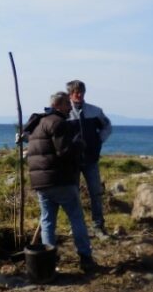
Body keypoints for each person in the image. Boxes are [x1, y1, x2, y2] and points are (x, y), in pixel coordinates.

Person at [24, 91, 97, 273]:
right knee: (76, 219)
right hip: (60, 180)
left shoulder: (38, 123)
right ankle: (85, 258)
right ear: (59, 105)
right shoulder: (58, 123)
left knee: (48, 221)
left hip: (41, 182)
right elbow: (64, 152)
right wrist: (79, 145)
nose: (69, 108)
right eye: (67, 105)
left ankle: (49, 259)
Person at [65, 79, 113, 237]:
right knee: (73, 194)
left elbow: (107, 126)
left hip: (91, 160)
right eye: (75, 92)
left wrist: (99, 140)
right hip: (72, 162)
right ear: (69, 94)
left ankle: (98, 226)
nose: (79, 95)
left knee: (96, 193)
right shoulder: (64, 113)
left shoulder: (95, 111)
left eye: (81, 91)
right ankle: (76, 226)